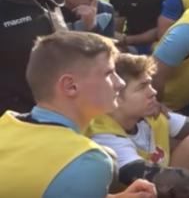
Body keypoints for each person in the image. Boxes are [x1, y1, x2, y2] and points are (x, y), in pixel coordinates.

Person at [0, 31, 156, 198]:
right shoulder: (86, 162)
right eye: (109, 73)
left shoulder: (7, 123)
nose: (120, 83)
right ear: (70, 86)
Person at [87, 53, 189, 198]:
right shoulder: (103, 134)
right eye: (142, 87)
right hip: (143, 191)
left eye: (150, 84)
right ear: (116, 95)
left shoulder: (151, 115)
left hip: (163, 188)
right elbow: (152, 177)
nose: (153, 92)